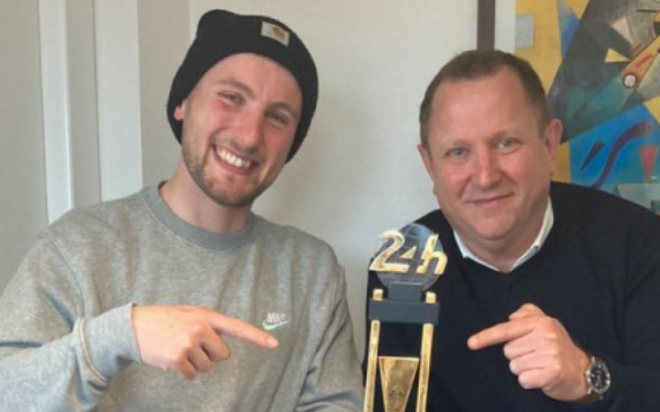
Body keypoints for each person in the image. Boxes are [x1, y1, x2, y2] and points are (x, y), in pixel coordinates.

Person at [0, 9, 363, 411]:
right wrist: (120, 335)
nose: (249, 136)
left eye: (277, 117)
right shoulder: (77, 246)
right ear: (183, 103)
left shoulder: (312, 272)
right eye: (231, 97)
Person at [365, 50, 660, 411]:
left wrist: (586, 376)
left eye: (506, 143)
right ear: (429, 165)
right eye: (458, 152)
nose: (485, 176)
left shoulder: (639, 243)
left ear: (549, 144)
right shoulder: (403, 263)